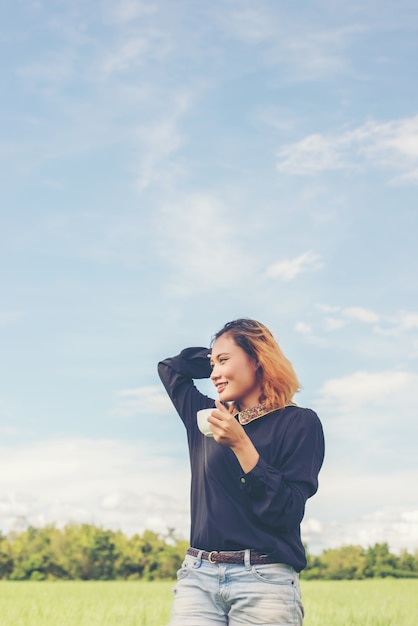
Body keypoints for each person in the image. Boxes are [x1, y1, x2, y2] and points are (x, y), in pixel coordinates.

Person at [158, 318, 325, 626]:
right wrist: (216, 353)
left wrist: (241, 445)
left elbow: (286, 511)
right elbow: (170, 368)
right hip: (198, 576)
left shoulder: (299, 423)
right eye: (211, 365)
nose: (214, 374)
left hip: (264, 580)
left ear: (258, 360)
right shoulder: (209, 420)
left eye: (224, 361)